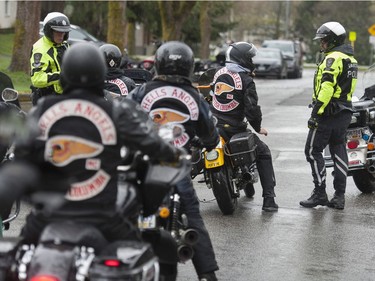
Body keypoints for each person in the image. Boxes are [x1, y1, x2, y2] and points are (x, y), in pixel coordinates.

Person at [13, 42, 183, 246]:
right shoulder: (115, 111)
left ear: (64, 74)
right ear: (101, 74)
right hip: (102, 217)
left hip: (47, 216)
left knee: (19, 256)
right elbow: (148, 142)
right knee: (141, 254)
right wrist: (172, 154)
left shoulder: (43, 108)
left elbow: (21, 152)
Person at [128, 41, 220, 281]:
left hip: (144, 167)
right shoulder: (194, 95)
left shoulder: (142, 91)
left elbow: (124, 118)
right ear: (189, 67)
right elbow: (210, 134)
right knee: (193, 219)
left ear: (158, 63)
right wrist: (207, 142)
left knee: (126, 208)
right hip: (176, 169)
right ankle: (207, 274)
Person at [209, 41, 279, 212]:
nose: (252, 61)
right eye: (250, 58)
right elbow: (251, 108)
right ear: (242, 59)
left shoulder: (219, 73)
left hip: (214, 126)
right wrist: (258, 127)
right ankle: (269, 200)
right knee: (263, 153)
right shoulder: (246, 80)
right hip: (234, 128)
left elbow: (211, 96)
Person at [300, 22, 358, 210]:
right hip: (345, 111)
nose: (321, 44)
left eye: (324, 40)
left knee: (312, 150)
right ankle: (339, 196)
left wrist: (316, 113)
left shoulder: (332, 59)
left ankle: (320, 193)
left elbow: (326, 87)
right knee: (338, 149)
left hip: (328, 112)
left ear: (333, 40)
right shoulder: (351, 59)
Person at [30, 12, 71, 106]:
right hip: (45, 99)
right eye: (58, 31)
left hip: (64, 97)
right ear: (49, 31)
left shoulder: (64, 45)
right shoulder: (40, 50)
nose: (61, 35)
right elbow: (37, 79)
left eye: (64, 32)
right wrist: (62, 76)